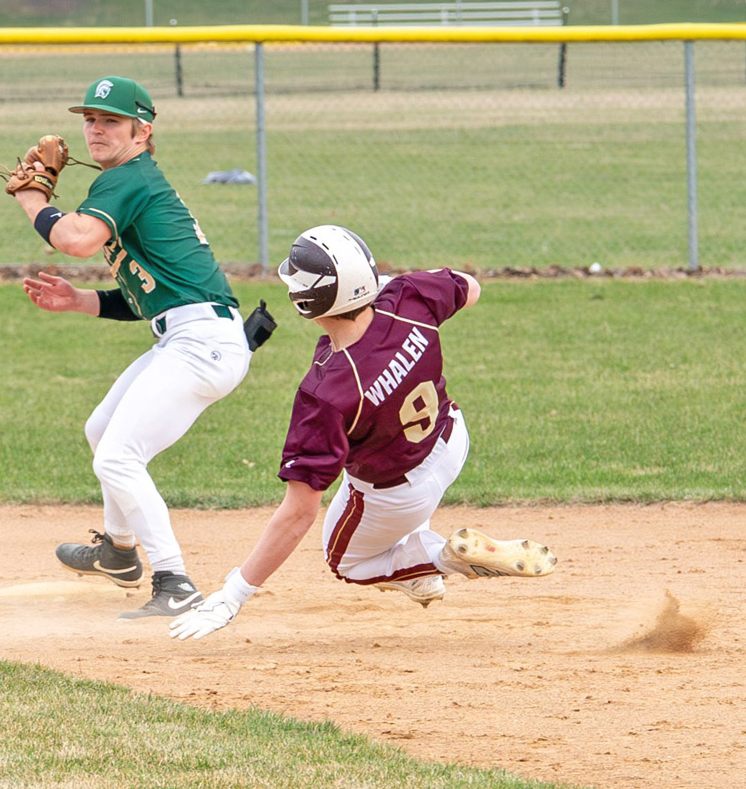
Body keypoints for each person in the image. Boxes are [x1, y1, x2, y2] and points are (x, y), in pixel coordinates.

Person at [170, 224, 557, 641]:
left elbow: (299, 511)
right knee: (386, 481)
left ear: (305, 302)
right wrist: (388, 286)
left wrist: (234, 594)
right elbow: (471, 287)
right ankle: (419, 575)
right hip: (451, 440)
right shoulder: (407, 297)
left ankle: (441, 560)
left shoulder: (326, 392)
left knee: (346, 563)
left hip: (397, 494)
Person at [9, 75, 253, 620]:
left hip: (202, 343)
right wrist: (81, 303)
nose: (95, 130)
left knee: (120, 455)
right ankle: (119, 552)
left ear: (142, 131)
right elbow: (150, 298)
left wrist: (32, 198)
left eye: (110, 121)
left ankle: (175, 581)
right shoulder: (127, 181)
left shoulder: (129, 179)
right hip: (192, 334)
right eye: (90, 120)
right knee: (102, 431)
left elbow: (74, 240)